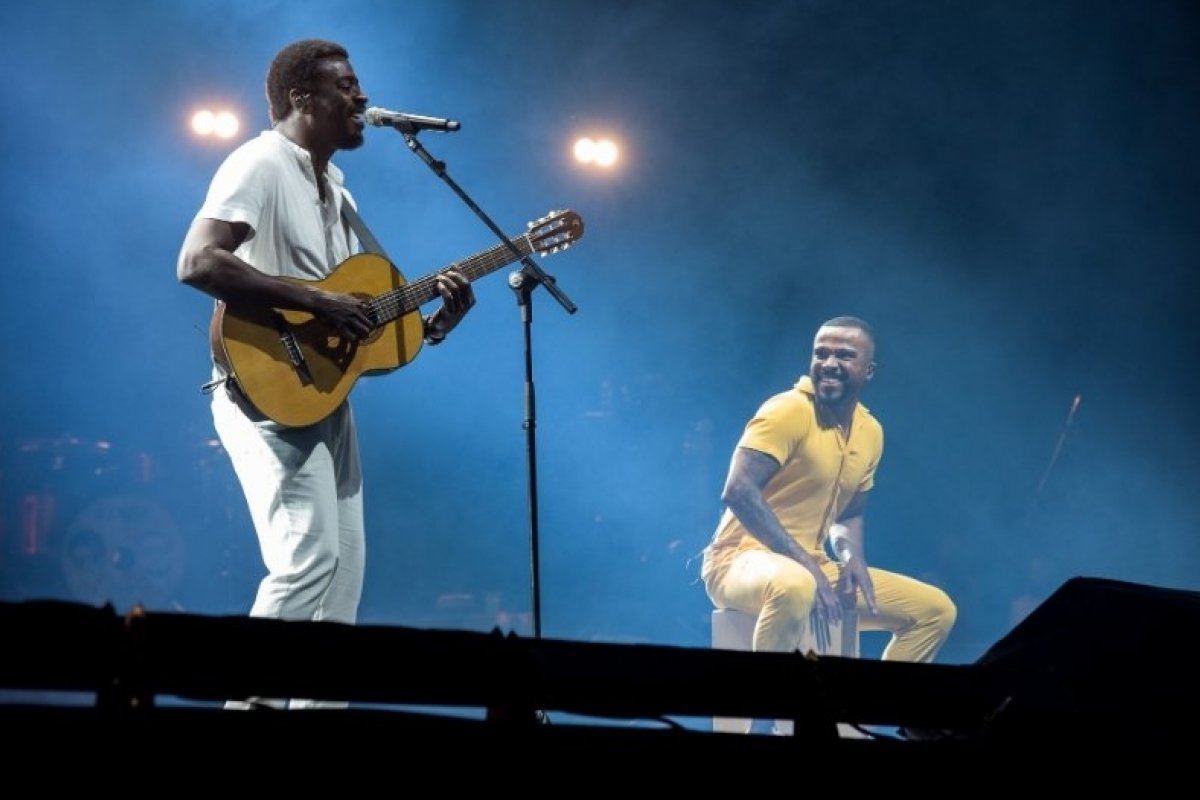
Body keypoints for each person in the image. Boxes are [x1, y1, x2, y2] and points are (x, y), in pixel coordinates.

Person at [176, 38, 475, 709]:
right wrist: (316, 301)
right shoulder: (259, 161)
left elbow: (354, 325)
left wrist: (434, 325)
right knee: (306, 559)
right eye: (345, 85)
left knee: (342, 579)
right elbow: (197, 262)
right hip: (263, 392)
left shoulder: (337, 190)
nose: (361, 97)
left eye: (357, 84)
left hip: (320, 397)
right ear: (300, 98)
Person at [700, 315, 957, 732]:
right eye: (821, 353)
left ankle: (872, 716)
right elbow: (738, 490)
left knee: (934, 610)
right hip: (738, 561)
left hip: (811, 565)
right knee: (795, 585)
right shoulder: (788, 410)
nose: (830, 363)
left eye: (845, 355)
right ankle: (775, 725)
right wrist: (807, 564)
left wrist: (852, 557)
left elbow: (849, 513)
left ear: (868, 370)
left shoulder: (871, 431)